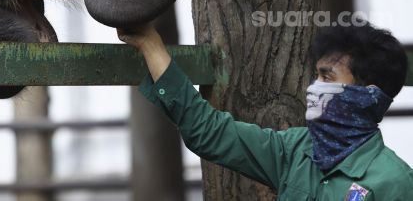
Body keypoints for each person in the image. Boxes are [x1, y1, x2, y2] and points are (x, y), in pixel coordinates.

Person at [118, 22, 413, 200]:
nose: (313, 88)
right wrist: (150, 44)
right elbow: (209, 132)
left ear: (366, 96)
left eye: (327, 78)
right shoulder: (294, 151)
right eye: (316, 76)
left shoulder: (394, 182)